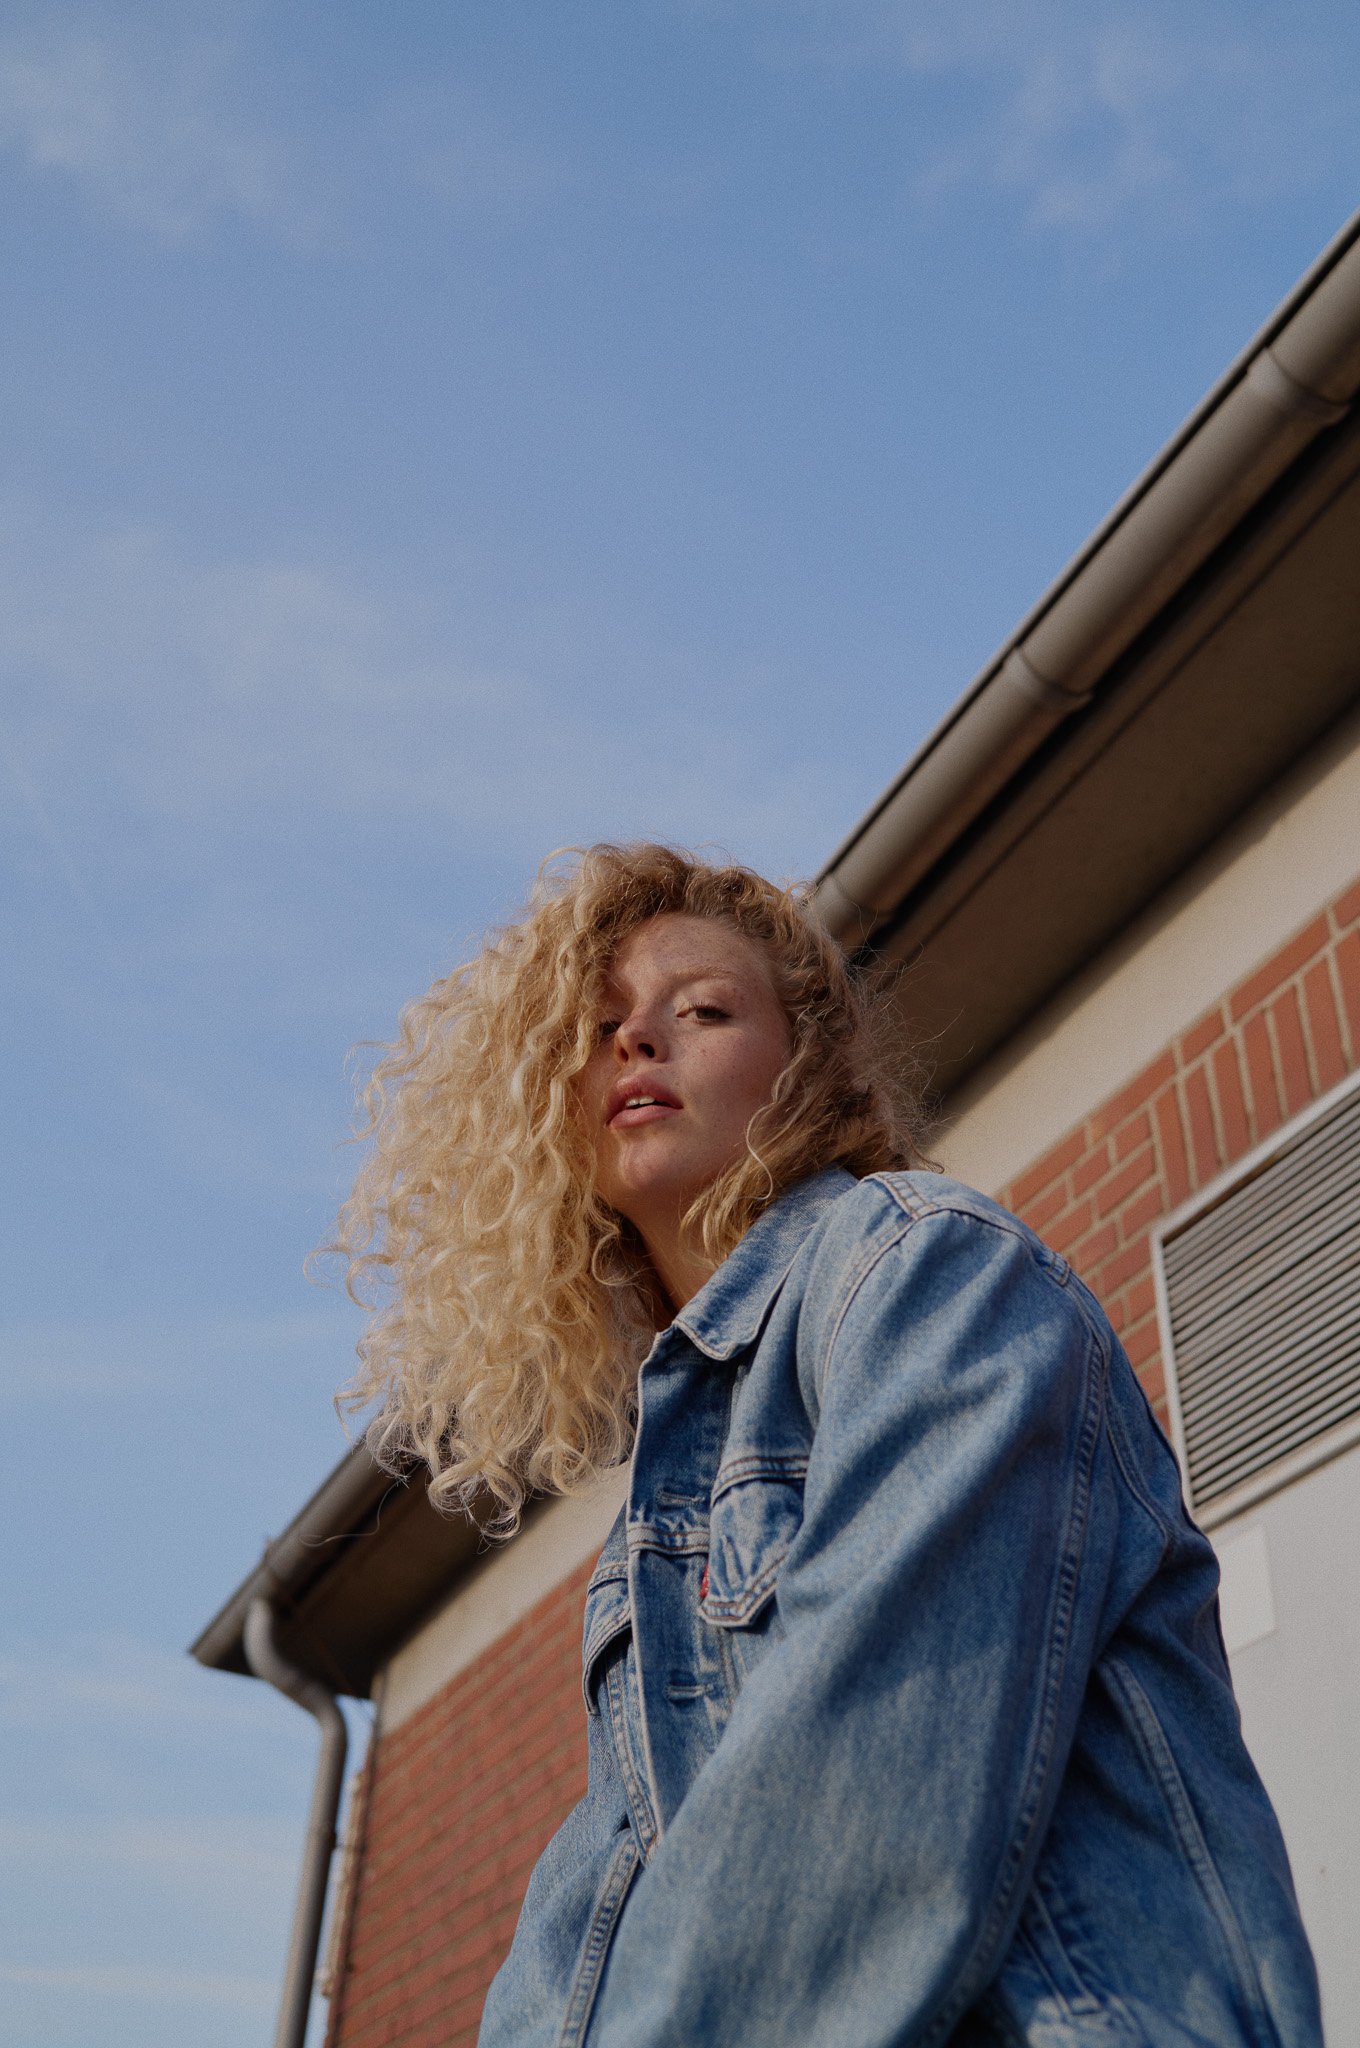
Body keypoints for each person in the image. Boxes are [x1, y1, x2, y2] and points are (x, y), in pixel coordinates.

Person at [335, 843, 1322, 2047]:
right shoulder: (663, 1493)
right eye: (597, 1027)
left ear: (805, 1068)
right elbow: (601, 1914)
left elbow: (870, 1785)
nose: (637, 1039)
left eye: (703, 1009)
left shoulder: (924, 1264)